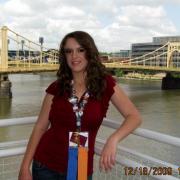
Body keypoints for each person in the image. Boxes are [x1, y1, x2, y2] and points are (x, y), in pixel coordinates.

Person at [18, 31, 142, 180]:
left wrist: (113, 139)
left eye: (80, 50)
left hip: (80, 167)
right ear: (64, 56)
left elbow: (134, 117)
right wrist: (25, 167)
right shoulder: (57, 87)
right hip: (45, 166)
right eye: (69, 51)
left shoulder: (104, 84)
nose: (74, 56)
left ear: (89, 52)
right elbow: (40, 127)